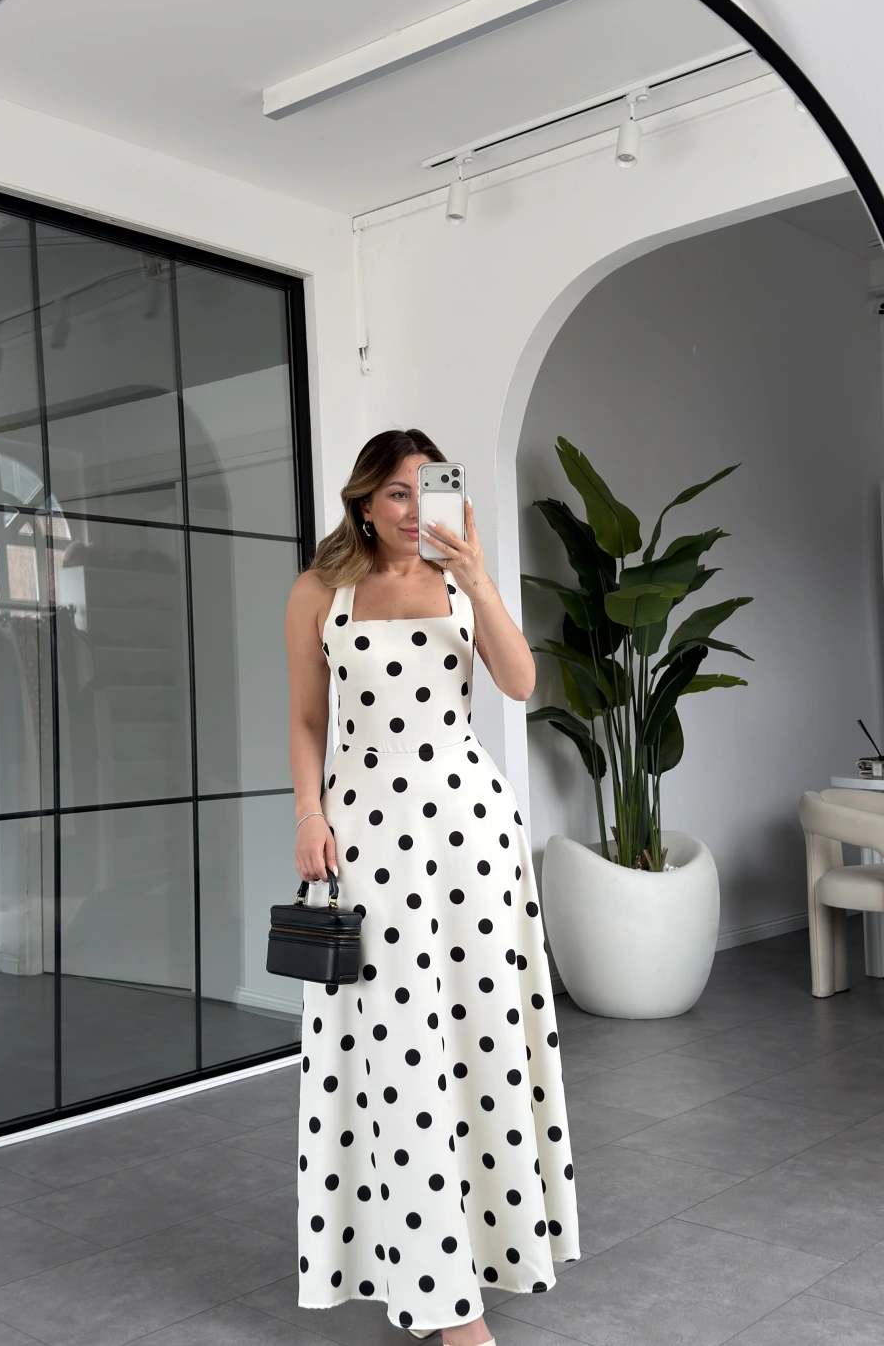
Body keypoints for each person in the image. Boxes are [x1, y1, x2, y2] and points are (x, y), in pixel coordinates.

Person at [285, 428, 580, 1345]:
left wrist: (481, 579)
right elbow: (306, 718)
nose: (417, 512)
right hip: (367, 844)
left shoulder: (461, 579)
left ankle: (465, 1287)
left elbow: (520, 683)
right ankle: (426, 1281)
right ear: (365, 504)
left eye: (431, 490)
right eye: (399, 494)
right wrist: (308, 814)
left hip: (469, 841)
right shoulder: (319, 591)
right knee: (394, 1055)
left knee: (478, 1046)